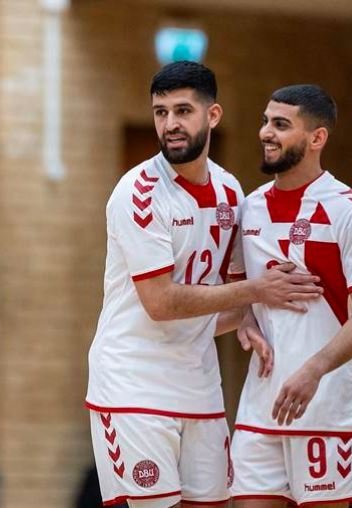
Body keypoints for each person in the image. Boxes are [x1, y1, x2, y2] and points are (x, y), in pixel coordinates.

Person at [85, 61, 323, 508]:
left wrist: (249, 317)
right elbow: (161, 301)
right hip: (132, 385)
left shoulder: (232, 192)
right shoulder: (137, 192)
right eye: (160, 113)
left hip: (200, 388)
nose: (170, 124)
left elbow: (225, 297)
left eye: (182, 111)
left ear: (212, 116)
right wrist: (256, 292)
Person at [230, 85, 352, 507]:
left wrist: (314, 369)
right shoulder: (250, 209)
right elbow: (243, 294)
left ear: (317, 138)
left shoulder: (351, 210)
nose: (265, 133)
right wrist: (246, 321)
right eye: (265, 121)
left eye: (280, 124)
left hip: (326, 406)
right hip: (261, 405)